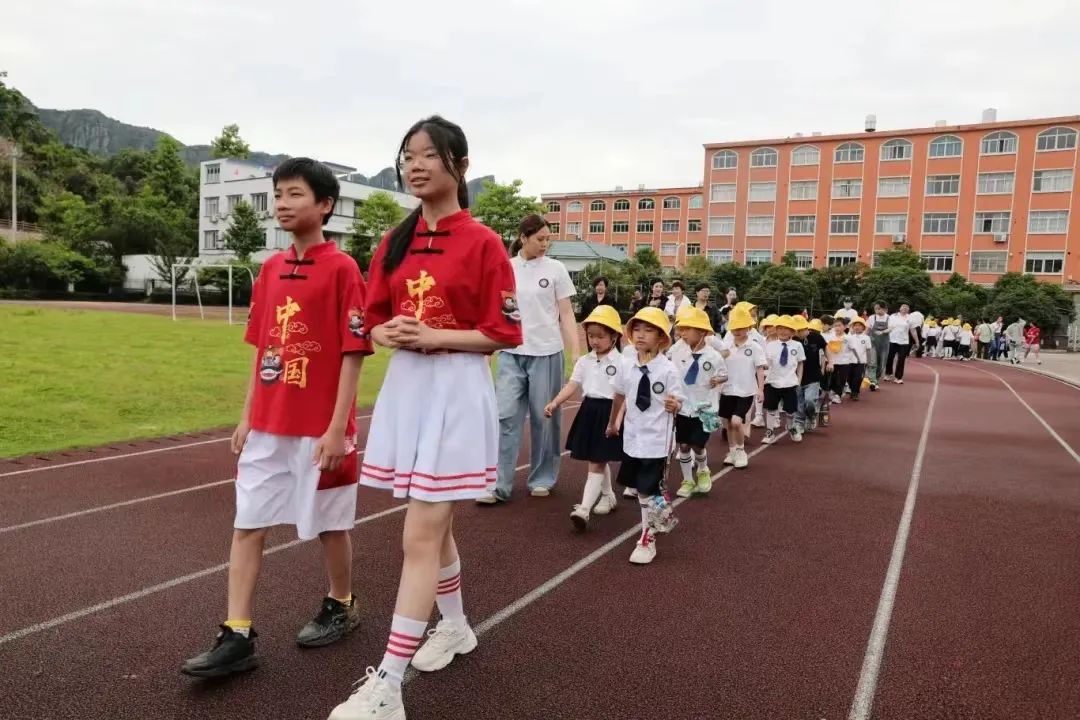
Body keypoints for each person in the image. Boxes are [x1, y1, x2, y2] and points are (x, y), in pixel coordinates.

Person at [327, 117, 523, 720]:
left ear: (459, 165)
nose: (414, 166)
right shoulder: (394, 241)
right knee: (435, 529)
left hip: (457, 392)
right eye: (407, 156)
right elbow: (371, 318)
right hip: (408, 389)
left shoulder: (485, 242)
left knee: (418, 533)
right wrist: (391, 331)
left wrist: (436, 334)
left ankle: (389, 685)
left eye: (428, 156)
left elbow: (504, 331)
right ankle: (457, 627)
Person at [182, 159, 372, 679]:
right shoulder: (270, 270)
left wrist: (339, 427)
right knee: (247, 523)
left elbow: (354, 351)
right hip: (267, 425)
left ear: (325, 205)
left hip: (321, 427)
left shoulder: (343, 269)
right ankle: (237, 631)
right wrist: (247, 415)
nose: (282, 204)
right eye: (278, 195)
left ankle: (342, 603)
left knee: (330, 524)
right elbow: (262, 348)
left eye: (294, 194)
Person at [479, 214, 579, 504]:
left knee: (543, 417)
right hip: (512, 352)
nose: (545, 244)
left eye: (548, 238)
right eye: (540, 239)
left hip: (547, 352)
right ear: (523, 237)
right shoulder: (506, 268)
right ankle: (499, 485)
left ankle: (542, 477)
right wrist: (489, 351)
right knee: (505, 415)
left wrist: (574, 351)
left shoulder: (557, 269)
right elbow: (498, 313)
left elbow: (567, 313)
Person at [606, 307, 685, 565]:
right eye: (636, 329)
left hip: (657, 442)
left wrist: (676, 405)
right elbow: (619, 395)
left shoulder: (669, 370)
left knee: (646, 489)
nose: (641, 335)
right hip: (633, 439)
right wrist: (612, 423)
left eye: (649, 330)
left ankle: (647, 537)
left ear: (662, 337)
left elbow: (678, 399)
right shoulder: (626, 366)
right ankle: (653, 518)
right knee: (640, 491)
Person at [545, 305, 624, 531]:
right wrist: (555, 402)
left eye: (600, 336)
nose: (595, 341)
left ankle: (584, 509)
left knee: (597, 461)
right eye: (591, 336)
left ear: (614, 336)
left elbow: (625, 394)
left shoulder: (621, 363)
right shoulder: (585, 361)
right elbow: (572, 385)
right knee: (598, 457)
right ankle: (608, 495)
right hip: (589, 410)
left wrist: (617, 420)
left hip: (610, 411)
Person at [668, 307, 727, 497]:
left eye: (687, 329)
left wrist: (718, 380)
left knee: (698, 445)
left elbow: (724, 375)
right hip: (683, 407)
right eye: (681, 329)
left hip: (705, 408)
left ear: (701, 332)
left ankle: (703, 469)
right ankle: (687, 480)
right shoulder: (677, 349)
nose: (682, 333)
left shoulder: (714, 356)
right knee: (683, 445)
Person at [719, 308, 766, 467]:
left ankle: (741, 451)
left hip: (746, 391)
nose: (737, 331)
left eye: (740, 328)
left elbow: (760, 368)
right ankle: (732, 451)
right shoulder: (726, 346)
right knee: (729, 424)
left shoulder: (755, 347)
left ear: (749, 328)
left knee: (737, 422)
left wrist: (760, 390)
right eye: (734, 328)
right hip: (727, 390)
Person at [761, 315, 805, 444]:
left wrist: (799, 380)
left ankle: (791, 427)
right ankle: (769, 431)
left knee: (790, 410)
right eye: (780, 328)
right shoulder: (770, 345)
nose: (783, 331)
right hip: (772, 381)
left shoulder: (797, 345)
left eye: (787, 328)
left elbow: (800, 363)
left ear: (792, 331)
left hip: (790, 382)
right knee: (770, 408)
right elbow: (766, 363)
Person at [794, 315, 825, 433]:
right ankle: (799, 423)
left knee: (810, 401)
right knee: (799, 402)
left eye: (799, 330)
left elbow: (825, 350)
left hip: (813, 376)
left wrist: (830, 362)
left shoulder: (816, 337)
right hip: (796, 377)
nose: (797, 332)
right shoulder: (792, 340)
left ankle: (811, 416)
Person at [823, 317, 852, 405]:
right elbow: (826, 349)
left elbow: (852, 349)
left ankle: (838, 395)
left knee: (842, 379)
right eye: (835, 326)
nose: (837, 328)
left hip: (844, 362)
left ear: (845, 326)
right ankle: (833, 391)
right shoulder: (829, 337)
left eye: (839, 326)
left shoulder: (848, 338)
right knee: (833, 378)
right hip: (832, 362)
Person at [885, 303, 915, 384]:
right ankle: (888, 373)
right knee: (889, 358)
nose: (905, 308)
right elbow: (888, 327)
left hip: (904, 341)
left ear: (908, 310)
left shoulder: (910, 318)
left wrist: (917, 341)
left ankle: (898, 377)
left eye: (906, 307)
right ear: (900, 308)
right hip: (892, 340)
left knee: (901, 359)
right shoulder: (893, 316)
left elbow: (913, 330)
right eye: (903, 307)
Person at [866, 302, 890, 390]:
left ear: (884, 309)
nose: (877, 310)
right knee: (873, 362)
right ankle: (872, 381)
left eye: (879, 308)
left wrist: (883, 332)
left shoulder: (889, 318)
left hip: (884, 344)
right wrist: (863, 338)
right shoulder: (872, 317)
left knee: (881, 364)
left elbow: (890, 328)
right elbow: (867, 329)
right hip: (872, 343)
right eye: (875, 308)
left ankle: (876, 379)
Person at [847, 317, 871, 400]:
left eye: (859, 325)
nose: (857, 327)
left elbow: (868, 350)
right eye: (855, 325)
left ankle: (855, 392)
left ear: (863, 327)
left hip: (861, 361)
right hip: (849, 361)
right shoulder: (849, 337)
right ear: (852, 327)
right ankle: (851, 388)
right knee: (849, 377)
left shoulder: (866, 338)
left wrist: (868, 361)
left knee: (858, 377)